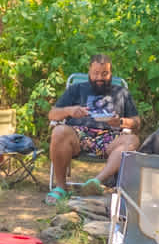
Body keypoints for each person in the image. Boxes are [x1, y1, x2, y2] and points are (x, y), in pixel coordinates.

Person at [45, 53, 139, 201]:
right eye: (95, 73)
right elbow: (52, 114)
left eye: (105, 73)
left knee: (132, 139)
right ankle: (61, 188)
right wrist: (69, 111)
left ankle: (96, 182)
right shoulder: (76, 89)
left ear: (111, 73)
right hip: (79, 135)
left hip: (110, 137)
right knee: (59, 130)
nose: (99, 78)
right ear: (89, 71)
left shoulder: (121, 93)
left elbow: (137, 122)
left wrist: (120, 122)